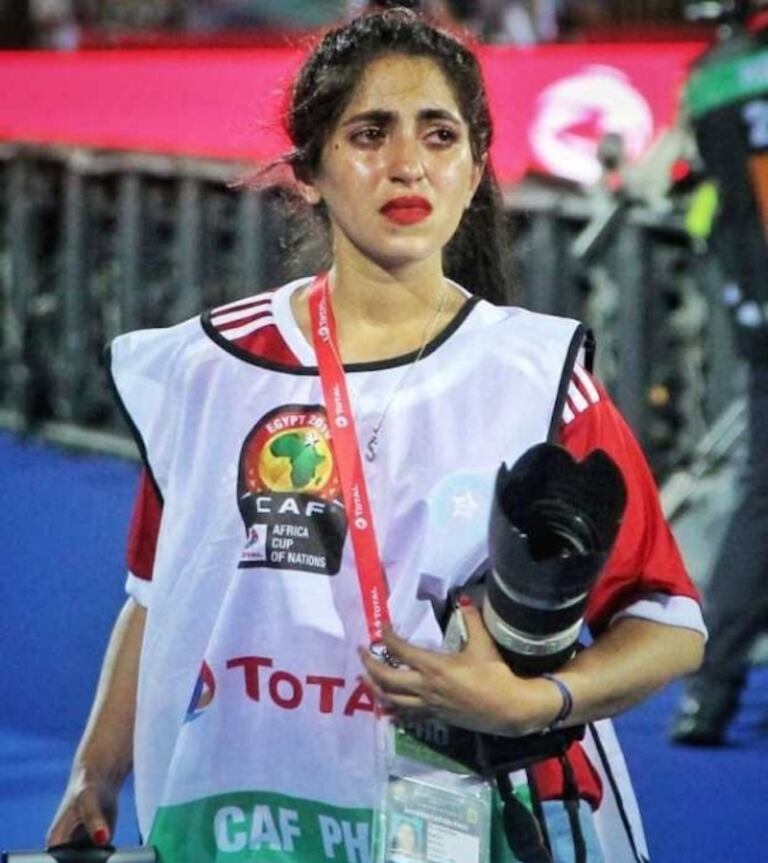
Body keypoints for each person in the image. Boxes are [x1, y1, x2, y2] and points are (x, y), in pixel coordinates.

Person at [47, 8, 705, 862]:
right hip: (246, 816)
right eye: (369, 133)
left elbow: (667, 622)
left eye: (439, 135)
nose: (407, 164)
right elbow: (157, 593)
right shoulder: (208, 368)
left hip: (480, 824)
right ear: (309, 172)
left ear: (474, 170)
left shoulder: (539, 378)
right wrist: (93, 773)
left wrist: (535, 703)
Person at [671, 0, 768, 746]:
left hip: (756, 307)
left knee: (761, 502)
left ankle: (709, 693)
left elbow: (697, 199)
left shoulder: (709, 80)